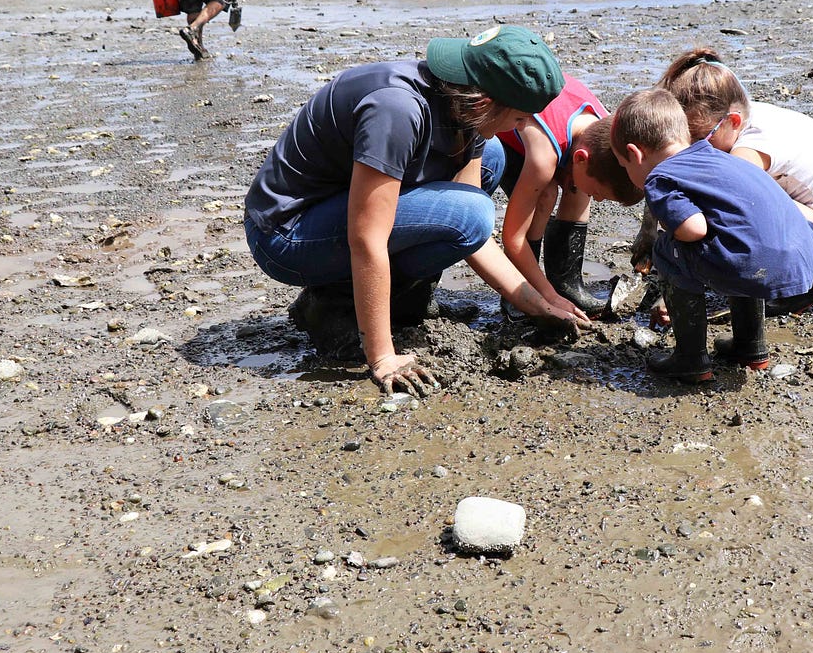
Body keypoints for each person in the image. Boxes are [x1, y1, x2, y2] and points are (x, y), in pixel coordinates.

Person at [244, 24, 587, 396]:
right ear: (485, 101)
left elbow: (470, 233)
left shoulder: (462, 105)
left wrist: (537, 302)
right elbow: (368, 239)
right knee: (471, 213)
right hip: (284, 235)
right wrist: (382, 357)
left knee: (490, 159)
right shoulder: (396, 110)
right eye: (520, 118)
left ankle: (402, 299)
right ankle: (334, 304)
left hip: (335, 210)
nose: (521, 128)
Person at [635, 47, 813, 317]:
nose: (692, 149)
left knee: (723, 215)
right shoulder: (737, 114)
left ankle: (810, 285)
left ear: (732, 121)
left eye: (700, 139)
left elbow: (734, 214)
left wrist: (677, 286)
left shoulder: (749, 149)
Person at [610, 88, 813, 383]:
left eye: (623, 167)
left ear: (634, 154)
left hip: (756, 266)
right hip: (802, 258)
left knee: (667, 249)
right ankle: (750, 346)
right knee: (738, 239)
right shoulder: (722, 157)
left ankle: (691, 359)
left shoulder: (660, 178)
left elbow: (693, 228)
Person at [493, 89, 643, 318]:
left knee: (579, 185)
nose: (598, 199)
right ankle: (521, 289)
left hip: (561, 138)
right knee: (546, 194)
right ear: (581, 158)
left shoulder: (607, 130)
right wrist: (546, 296)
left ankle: (567, 283)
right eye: (599, 193)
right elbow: (513, 239)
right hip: (503, 136)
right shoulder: (544, 158)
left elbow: (589, 174)